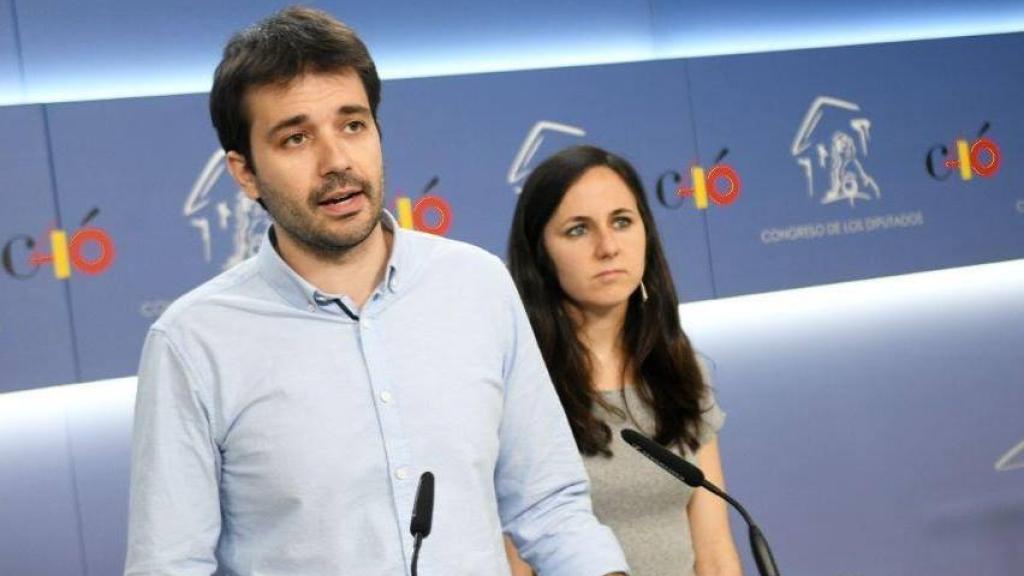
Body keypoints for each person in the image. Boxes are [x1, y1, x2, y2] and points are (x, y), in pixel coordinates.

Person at [124, 8, 628, 576]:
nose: (336, 161)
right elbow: (169, 565)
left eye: (353, 125)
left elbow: (550, 508)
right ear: (245, 173)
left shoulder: (478, 285)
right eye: (295, 138)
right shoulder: (193, 343)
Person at [505, 145, 743, 576]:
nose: (608, 247)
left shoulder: (680, 367)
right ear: (540, 254)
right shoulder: (518, 385)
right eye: (578, 230)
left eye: (622, 222)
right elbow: (513, 562)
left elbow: (714, 550)